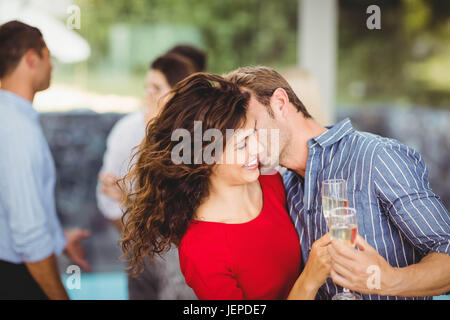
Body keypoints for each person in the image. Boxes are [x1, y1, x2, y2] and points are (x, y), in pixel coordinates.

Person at [224, 66, 450, 300]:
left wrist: (387, 279)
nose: (245, 142)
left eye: (251, 125)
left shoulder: (375, 156)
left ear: (280, 103)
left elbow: (446, 248)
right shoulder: (282, 187)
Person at [120, 73, 333, 300]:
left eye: (253, 134)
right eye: (242, 144)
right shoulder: (200, 249)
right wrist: (310, 280)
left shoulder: (271, 182)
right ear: (204, 157)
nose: (257, 149)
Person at [0, 20, 91, 300]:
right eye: (48, 57)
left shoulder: (12, 117)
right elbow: (28, 236)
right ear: (31, 59)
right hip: (16, 277)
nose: (51, 67)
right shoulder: (15, 127)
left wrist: (57, 236)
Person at [96, 53, 197, 299]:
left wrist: (155, 128)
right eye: (146, 87)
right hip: (141, 252)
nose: (147, 95)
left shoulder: (197, 136)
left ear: (178, 94)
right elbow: (111, 202)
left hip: (181, 259)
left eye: (156, 88)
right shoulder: (127, 129)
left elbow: (175, 203)